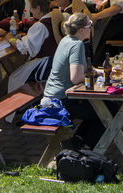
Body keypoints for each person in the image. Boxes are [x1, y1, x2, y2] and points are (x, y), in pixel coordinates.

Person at [42, 12, 104, 148]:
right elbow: (76, 78)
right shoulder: (78, 45)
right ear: (81, 30)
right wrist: (94, 75)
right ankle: (85, 147)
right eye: (90, 25)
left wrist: (95, 71)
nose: (91, 28)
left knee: (101, 108)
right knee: (108, 111)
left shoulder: (66, 40)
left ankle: (78, 141)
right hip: (60, 103)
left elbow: (78, 69)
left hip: (51, 98)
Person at [6, 0, 57, 91]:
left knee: (14, 78)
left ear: (38, 8)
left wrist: (10, 39)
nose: (30, 11)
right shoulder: (52, 20)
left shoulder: (40, 26)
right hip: (53, 62)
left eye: (31, 8)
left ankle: (18, 103)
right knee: (16, 75)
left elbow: (24, 47)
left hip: (45, 65)